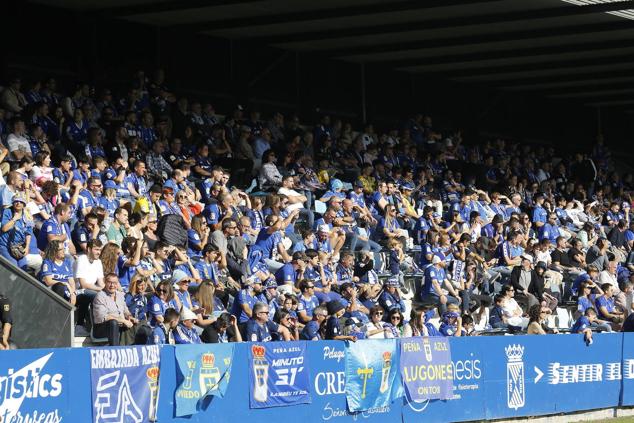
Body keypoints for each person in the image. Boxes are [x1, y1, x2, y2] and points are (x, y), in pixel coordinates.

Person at [92, 273, 139, 346]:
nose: (112, 285)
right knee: (113, 323)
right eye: (109, 282)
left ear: (118, 284)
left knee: (139, 325)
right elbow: (104, 317)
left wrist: (130, 317)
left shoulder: (120, 295)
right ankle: (115, 349)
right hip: (102, 328)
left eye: (114, 283)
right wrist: (123, 320)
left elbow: (125, 311)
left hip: (120, 326)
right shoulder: (100, 296)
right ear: (105, 282)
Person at [39, 240, 76, 305]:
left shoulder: (67, 262)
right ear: (54, 251)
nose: (64, 251)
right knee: (59, 286)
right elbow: (49, 281)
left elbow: (71, 281)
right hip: (52, 293)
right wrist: (65, 284)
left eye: (64, 248)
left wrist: (73, 293)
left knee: (85, 296)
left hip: (68, 292)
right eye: (61, 249)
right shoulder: (47, 262)